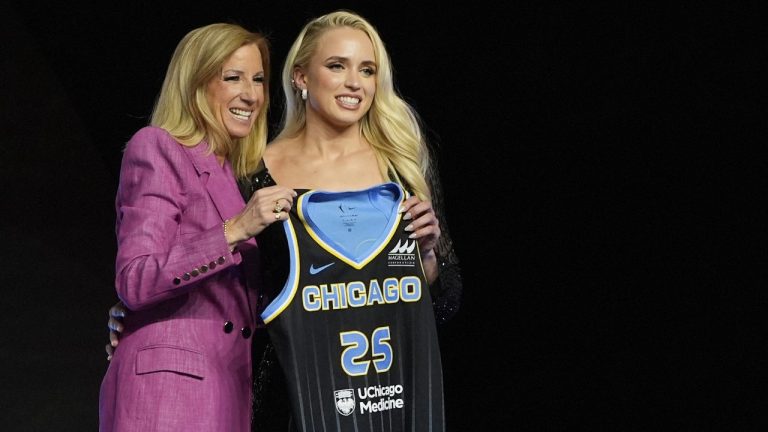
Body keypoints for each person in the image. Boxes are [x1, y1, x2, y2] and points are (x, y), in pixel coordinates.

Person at [105, 10, 462, 431]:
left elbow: (444, 304)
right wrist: (136, 312)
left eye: (367, 70)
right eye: (336, 66)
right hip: (289, 397)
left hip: (389, 391)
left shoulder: (402, 166)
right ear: (300, 77)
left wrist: (427, 259)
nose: (354, 82)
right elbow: (236, 283)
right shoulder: (253, 171)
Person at [98, 22, 296, 432]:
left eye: (258, 79)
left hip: (227, 389)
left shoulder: (236, 175)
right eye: (233, 78)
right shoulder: (158, 146)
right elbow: (135, 279)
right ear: (196, 84)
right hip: (169, 394)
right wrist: (235, 228)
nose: (252, 94)